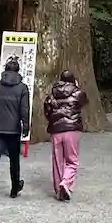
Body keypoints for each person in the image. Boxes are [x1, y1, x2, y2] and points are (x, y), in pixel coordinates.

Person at [0, 56, 29, 205]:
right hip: (13, 129)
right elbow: (24, 109)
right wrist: (26, 126)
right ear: (18, 71)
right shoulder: (22, 88)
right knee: (14, 160)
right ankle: (15, 187)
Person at [43, 70, 89, 201]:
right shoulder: (78, 93)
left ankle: (59, 191)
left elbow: (47, 111)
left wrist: (53, 121)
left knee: (57, 160)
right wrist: (77, 87)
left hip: (56, 130)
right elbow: (84, 102)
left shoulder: (52, 94)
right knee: (72, 160)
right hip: (72, 129)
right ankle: (66, 182)